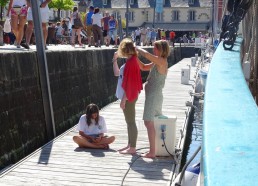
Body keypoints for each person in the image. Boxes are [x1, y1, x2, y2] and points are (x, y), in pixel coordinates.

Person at [136, 40, 170, 158]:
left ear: (161, 50)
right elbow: (143, 67)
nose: (153, 50)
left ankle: (152, 152)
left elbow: (147, 55)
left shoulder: (161, 61)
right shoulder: (157, 62)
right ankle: (153, 150)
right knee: (150, 122)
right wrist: (135, 57)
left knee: (148, 122)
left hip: (153, 96)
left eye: (155, 48)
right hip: (153, 96)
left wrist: (138, 48)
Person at [112, 38, 143, 154]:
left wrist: (123, 100)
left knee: (131, 122)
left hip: (129, 96)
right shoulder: (131, 61)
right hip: (130, 95)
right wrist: (114, 60)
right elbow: (117, 74)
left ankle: (133, 148)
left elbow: (129, 84)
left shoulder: (130, 63)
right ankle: (130, 145)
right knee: (129, 121)